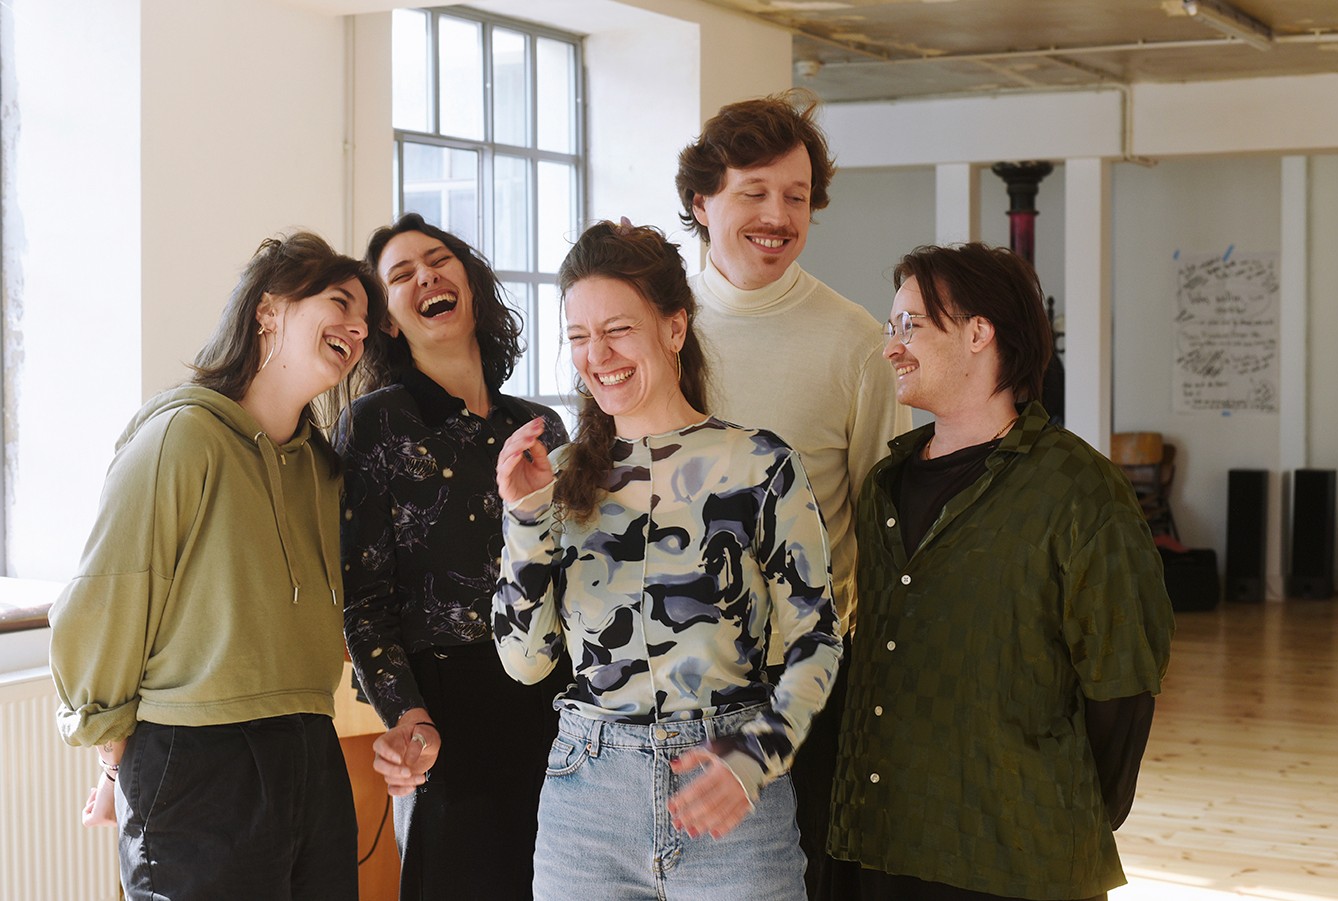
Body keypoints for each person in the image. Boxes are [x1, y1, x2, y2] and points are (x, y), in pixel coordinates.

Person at [493, 219, 842, 900]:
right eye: (579, 336)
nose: (599, 354)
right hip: (586, 799)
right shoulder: (555, 479)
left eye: (618, 329)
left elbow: (818, 636)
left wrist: (758, 753)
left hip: (730, 784)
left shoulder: (760, 465)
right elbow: (525, 661)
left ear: (674, 328)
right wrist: (526, 519)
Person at [828, 242, 1175, 901]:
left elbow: (1121, 689)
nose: (891, 347)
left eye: (910, 326)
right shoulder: (882, 488)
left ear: (979, 332)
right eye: (890, 327)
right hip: (879, 840)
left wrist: (1050, 803)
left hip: (1018, 855)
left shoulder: (1079, 489)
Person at [49, 231, 383, 900]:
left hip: (310, 748)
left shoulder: (321, 469)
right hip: (197, 756)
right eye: (340, 302)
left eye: (366, 321)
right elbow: (108, 600)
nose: (357, 326)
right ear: (269, 310)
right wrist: (113, 758)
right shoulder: (181, 437)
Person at [676, 89, 909, 898]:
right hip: (667, 690)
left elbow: (887, 535)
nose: (779, 215)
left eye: (797, 196)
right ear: (701, 202)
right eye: (754, 191)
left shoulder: (857, 345)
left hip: (802, 687)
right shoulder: (652, 329)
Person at [337, 213, 569, 900]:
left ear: (467, 281)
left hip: (554, 700)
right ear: (387, 320)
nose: (426, 276)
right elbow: (365, 601)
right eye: (402, 274)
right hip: (443, 708)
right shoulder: (376, 421)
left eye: (438, 261)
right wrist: (407, 715)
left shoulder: (539, 427)